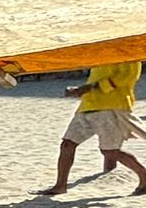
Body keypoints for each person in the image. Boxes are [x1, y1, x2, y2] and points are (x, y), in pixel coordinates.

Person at [41, 60, 146, 195]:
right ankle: (60, 185)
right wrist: (82, 90)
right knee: (67, 144)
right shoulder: (101, 54)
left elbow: (127, 77)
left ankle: (144, 176)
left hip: (111, 106)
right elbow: (97, 79)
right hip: (88, 106)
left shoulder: (128, 53)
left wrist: (89, 88)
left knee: (110, 152)